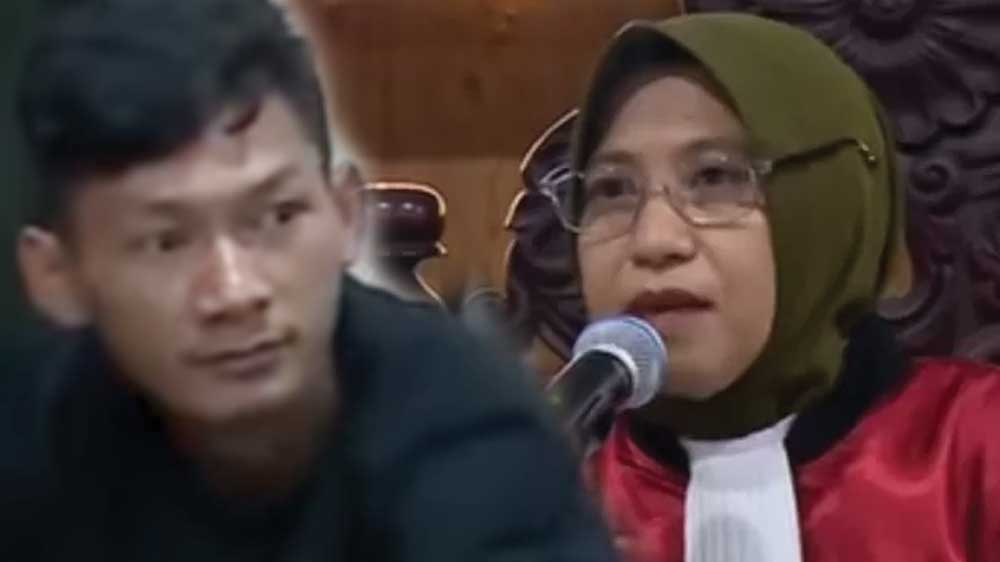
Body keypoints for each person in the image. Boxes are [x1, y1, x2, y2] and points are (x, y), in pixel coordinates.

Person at [2, 1, 618, 560]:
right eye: (166, 242)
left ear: (346, 214)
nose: (235, 292)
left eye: (277, 217)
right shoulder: (25, 435)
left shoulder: (472, 432)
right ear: (56, 276)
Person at [540, 12, 1000, 562]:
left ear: (828, 205)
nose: (654, 240)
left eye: (715, 178)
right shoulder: (547, 491)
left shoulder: (978, 446)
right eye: (613, 189)